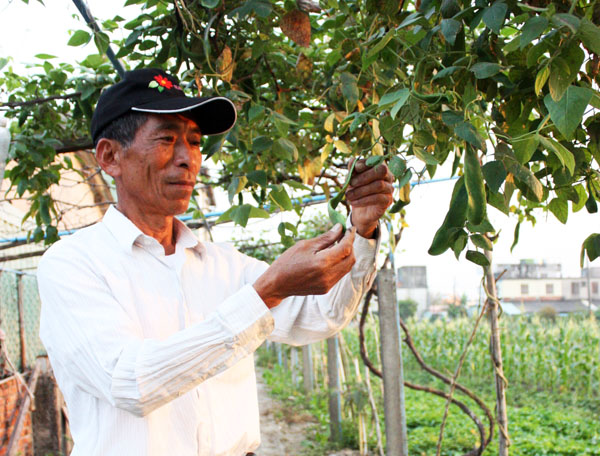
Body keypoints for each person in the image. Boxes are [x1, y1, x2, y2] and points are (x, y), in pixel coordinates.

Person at [38, 68, 394, 456]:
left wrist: (362, 228)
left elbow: (320, 314)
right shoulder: (72, 265)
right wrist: (266, 292)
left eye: (193, 142)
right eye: (166, 139)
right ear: (110, 156)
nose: (187, 159)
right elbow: (131, 382)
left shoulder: (223, 263)